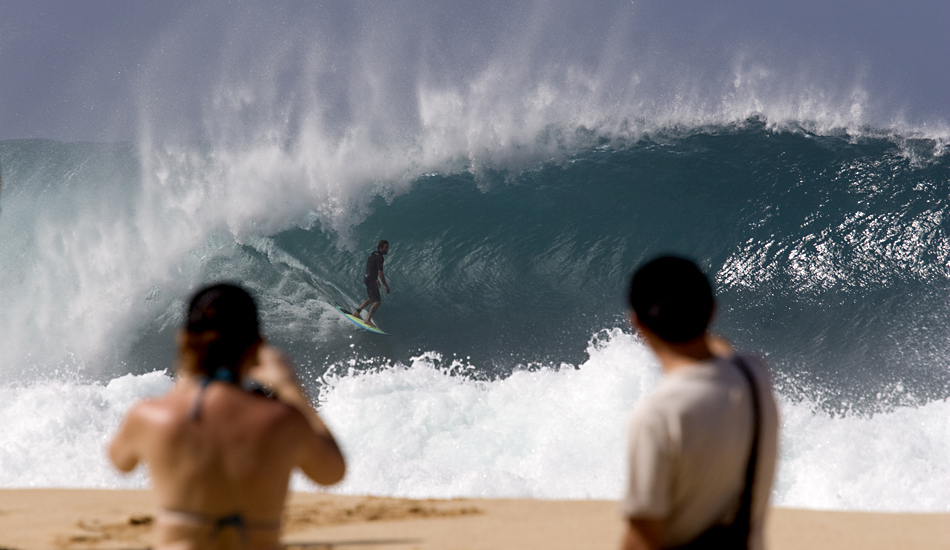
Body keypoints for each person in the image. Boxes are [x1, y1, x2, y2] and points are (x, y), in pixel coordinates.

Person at [109, 283, 346, 550]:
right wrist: (289, 387)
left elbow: (120, 461)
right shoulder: (282, 420)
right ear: (257, 347)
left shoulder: (150, 416)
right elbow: (331, 472)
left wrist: (184, 382)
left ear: (184, 341)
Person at [620, 256, 779, 550]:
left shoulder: (657, 416)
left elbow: (643, 538)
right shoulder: (755, 376)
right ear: (713, 311)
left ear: (637, 323)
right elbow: (723, 349)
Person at [353, 239, 390, 328]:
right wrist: (385, 285)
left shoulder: (373, 254)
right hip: (371, 279)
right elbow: (380, 272)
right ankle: (368, 320)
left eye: (387, 247)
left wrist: (375, 279)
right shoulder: (380, 257)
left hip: (367, 278)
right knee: (377, 302)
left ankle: (357, 312)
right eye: (386, 247)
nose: (387, 249)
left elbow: (371, 266)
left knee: (371, 298)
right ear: (380, 247)